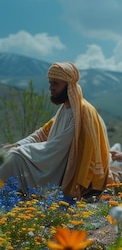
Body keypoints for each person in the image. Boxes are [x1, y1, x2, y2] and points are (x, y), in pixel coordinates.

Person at [0, 62, 110, 199]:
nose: (51, 88)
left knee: (15, 158)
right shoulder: (65, 109)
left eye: (55, 84)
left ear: (68, 85)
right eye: (50, 83)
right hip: (54, 161)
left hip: (70, 171)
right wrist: (18, 144)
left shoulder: (82, 112)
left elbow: (57, 147)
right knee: (10, 154)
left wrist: (21, 151)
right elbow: (43, 133)